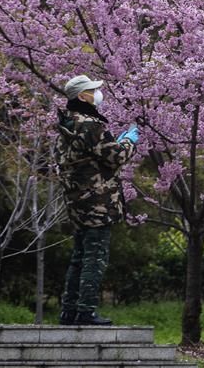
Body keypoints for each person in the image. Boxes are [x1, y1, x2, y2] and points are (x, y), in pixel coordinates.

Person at [54, 75, 138, 326]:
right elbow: (116, 157)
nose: (97, 94)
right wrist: (128, 141)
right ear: (82, 96)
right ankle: (86, 312)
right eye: (93, 90)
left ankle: (68, 311)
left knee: (79, 255)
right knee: (95, 256)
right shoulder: (90, 125)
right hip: (98, 202)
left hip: (77, 201)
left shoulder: (67, 125)